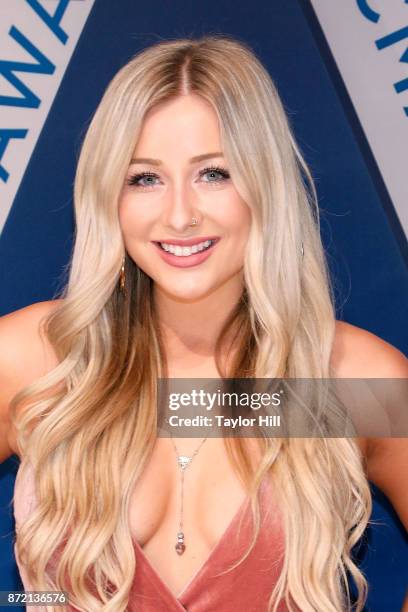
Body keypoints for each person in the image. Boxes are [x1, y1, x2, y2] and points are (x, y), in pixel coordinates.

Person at [0, 34, 407, 612]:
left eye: (214, 173)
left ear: (264, 184)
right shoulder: (37, 360)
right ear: (107, 195)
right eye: (144, 178)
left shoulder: (344, 381)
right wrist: (33, 599)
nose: (180, 214)